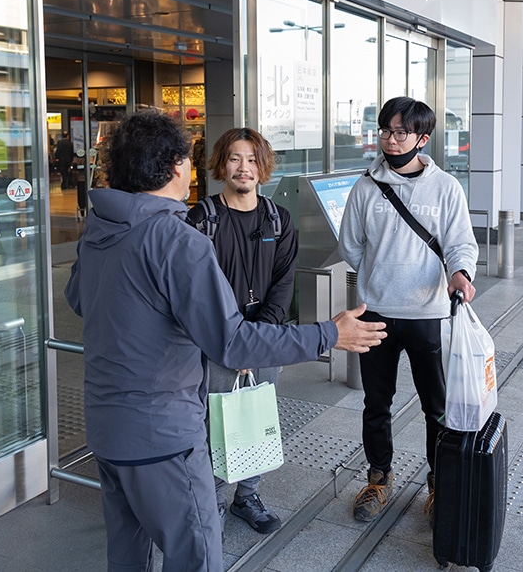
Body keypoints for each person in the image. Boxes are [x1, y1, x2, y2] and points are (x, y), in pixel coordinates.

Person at [65, 110, 386, 572]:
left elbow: (80, 299)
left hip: (106, 428)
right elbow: (232, 343)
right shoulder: (178, 238)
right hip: (164, 436)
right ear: (177, 166)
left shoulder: (100, 228)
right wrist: (330, 333)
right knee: (195, 555)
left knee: (129, 554)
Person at [338, 97, 478, 524]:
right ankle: (379, 478)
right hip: (374, 312)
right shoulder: (365, 187)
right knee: (376, 402)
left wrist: (460, 272)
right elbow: (350, 244)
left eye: (401, 133)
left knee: (436, 407)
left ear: (422, 138)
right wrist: (379, 275)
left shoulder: (446, 188)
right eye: (385, 131)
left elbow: (460, 242)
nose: (391, 140)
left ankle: (438, 484)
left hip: (429, 315)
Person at [186, 128, 294, 535]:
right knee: (212, 419)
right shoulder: (202, 218)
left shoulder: (277, 219)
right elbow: (194, 288)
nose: (243, 167)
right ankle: (210, 500)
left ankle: (246, 496)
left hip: (263, 340)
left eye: (251, 159)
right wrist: (231, 341)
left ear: (262, 166)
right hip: (215, 340)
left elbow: (283, 284)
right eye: (234, 158)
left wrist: (259, 340)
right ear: (221, 165)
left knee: (257, 415)